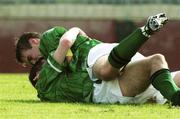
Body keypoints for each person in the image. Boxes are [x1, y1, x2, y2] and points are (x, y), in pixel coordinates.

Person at [15, 13, 180, 105]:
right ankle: (175, 97)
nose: (35, 61)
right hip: (123, 65)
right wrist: (75, 30)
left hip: (99, 61)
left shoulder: (49, 41)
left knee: (105, 72)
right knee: (157, 60)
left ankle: (144, 31)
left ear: (34, 41)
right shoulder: (52, 77)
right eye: (32, 63)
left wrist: (73, 36)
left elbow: (65, 42)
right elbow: (67, 41)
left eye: (31, 58)